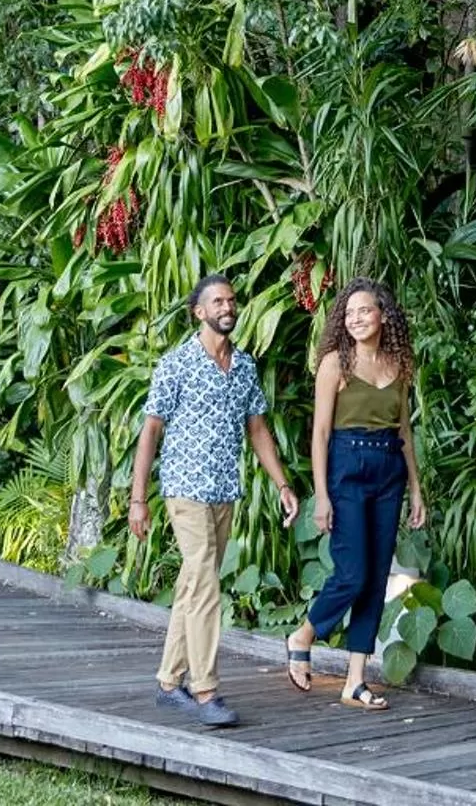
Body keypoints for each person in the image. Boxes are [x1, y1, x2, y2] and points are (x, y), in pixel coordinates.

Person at [129, 273, 300, 728]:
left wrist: (282, 485)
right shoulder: (177, 363)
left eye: (231, 300)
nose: (227, 307)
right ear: (199, 312)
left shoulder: (243, 367)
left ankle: (169, 683)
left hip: (224, 491)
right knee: (205, 583)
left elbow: (257, 429)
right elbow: (151, 430)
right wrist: (138, 499)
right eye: (217, 302)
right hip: (185, 489)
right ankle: (206, 690)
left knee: (192, 584)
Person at [284, 279, 426, 711]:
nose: (356, 319)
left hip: (389, 470)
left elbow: (404, 432)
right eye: (349, 313)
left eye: (364, 310)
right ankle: (304, 634)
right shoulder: (335, 363)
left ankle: (355, 681)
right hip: (347, 467)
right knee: (353, 572)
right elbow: (320, 434)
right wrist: (322, 496)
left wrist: (416, 489)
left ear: (383, 315)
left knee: (376, 575)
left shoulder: (399, 364)